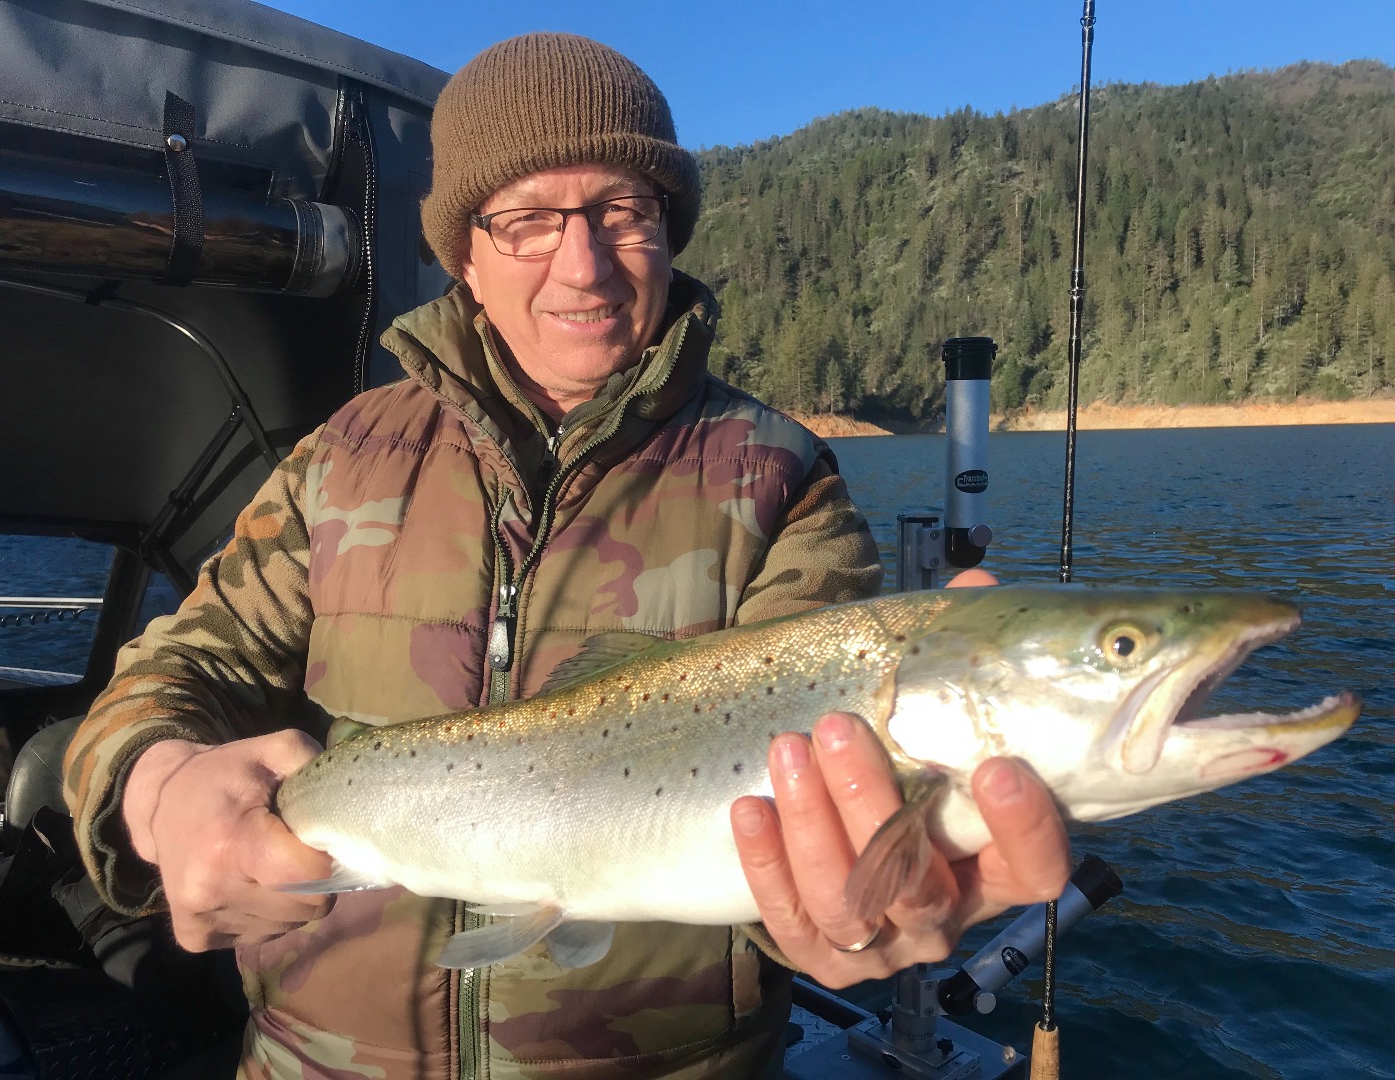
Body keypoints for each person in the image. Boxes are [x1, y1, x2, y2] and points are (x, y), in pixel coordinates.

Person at [62, 32, 1069, 1080]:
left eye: (623, 211)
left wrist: (851, 906)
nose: (581, 265)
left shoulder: (781, 480)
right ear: (465, 252)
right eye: (530, 221)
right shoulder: (341, 459)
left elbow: (811, 818)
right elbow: (176, 672)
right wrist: (161, 785)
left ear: (669, 230)